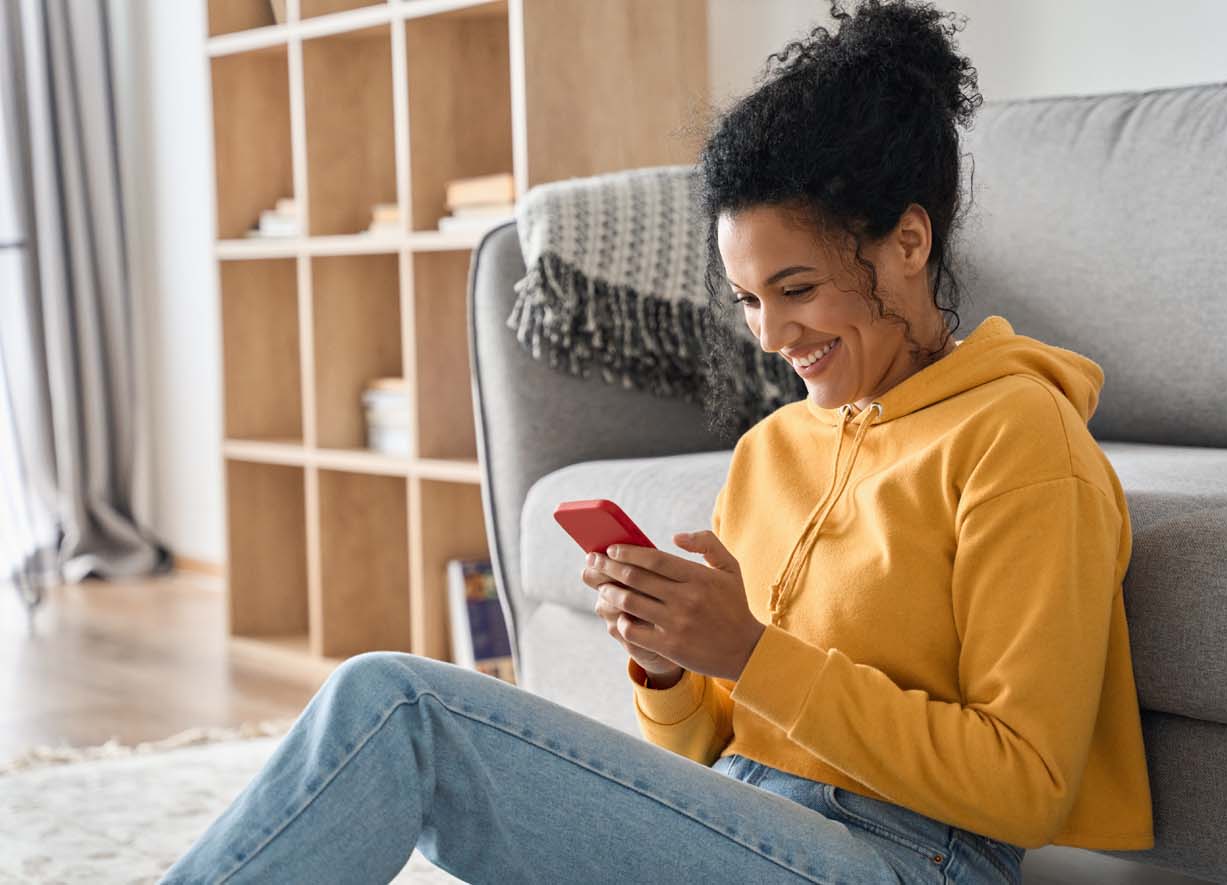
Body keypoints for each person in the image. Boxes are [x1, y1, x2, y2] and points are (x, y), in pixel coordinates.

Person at [162, 1, 1154, 882]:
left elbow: (1025, 786)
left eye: (797, 288)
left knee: (401, 708)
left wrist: (754, 654)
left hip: (908, 856)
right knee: (395, 718)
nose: (769, 336)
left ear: (907, 240)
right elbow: (705, 757)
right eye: (747, 300)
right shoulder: (771, 453)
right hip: (750, 821)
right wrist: (670, 668)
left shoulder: (1017, 442)